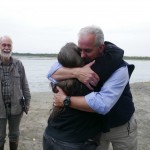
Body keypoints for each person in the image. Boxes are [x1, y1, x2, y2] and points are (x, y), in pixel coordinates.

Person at [47, 25, 137, 150]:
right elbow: (52, 72)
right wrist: (77, 72)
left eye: (88, 50)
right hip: (95, 127)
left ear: (101, 48)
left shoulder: (121, 69)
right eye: (80, 50)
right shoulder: (81, 57)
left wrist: (65, 100)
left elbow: (103, 104)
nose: (82, 55)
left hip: (120, 124)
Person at [0, 36, 31, 150]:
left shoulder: (18, 64)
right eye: (4, 45)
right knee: (0, 137)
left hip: (16, 107)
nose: (6, 48)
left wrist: (27, 103)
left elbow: (25, 85)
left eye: (9, 45)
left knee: (14, 134)